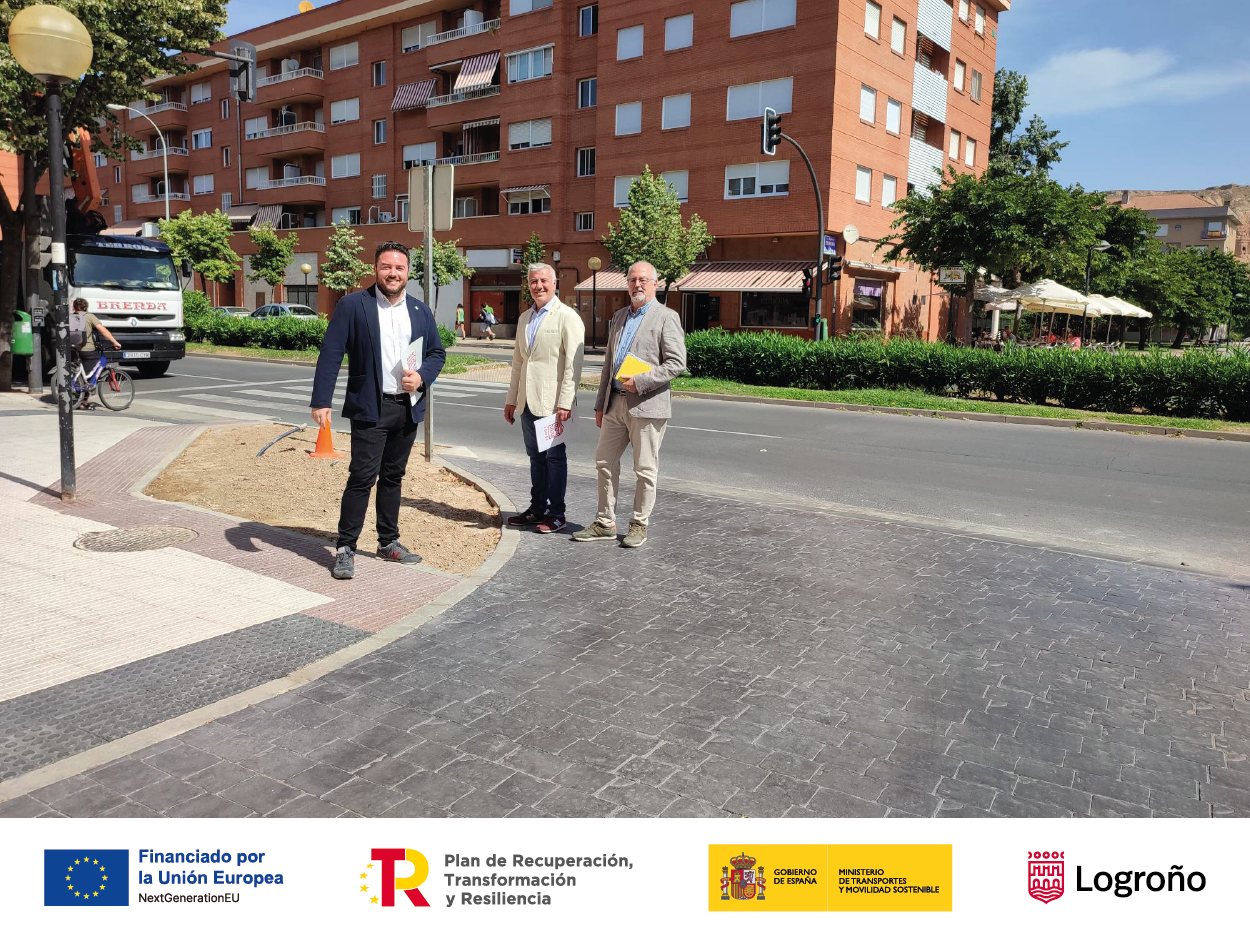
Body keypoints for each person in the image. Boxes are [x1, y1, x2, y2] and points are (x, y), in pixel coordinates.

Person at [310, 241, 446, 580]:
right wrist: (321, 400)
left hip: (407, 408)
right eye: (387, 267)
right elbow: (331, 353)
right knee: (361, 477)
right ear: (376, 269)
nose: (393, 273)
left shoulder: (419, 310)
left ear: (408, 273)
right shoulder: (353, 305)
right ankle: (345, 547)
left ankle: (388, 542)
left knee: (393, 478)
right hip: (371, 406)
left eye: (399, 268)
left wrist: (423, 377)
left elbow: (437, 353)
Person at [572, 260, 686, 549]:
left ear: (655, 284)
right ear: (627, 284)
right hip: (614, 404)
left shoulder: (666, 317)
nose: (638, 284)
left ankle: (639, 524)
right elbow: (609, 363)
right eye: (633, 279)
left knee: (645, 469)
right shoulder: (620, 315)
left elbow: (677, 363)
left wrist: (643, 380)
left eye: (643, 280)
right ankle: (605, 523)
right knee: (604, 462)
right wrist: (600, 403)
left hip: (647, 404)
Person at [504, 263, 585, 534]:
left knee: (554, 458)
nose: (538, 286)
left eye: (543, 281)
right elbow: (518, 362)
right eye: (533, 282)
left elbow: (574, 364)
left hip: (553, 403)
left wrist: (565, 401)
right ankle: (536, 508)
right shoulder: (525, 318)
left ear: (554, 284)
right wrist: (511, 398)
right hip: (527, 401)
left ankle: (556, 512)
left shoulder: (567, 316)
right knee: (535, 458)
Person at [73, 298, 121, 406]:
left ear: (74, 307)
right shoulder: (89, 316)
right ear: (86, 307)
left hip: (75, 349)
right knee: (91, 377)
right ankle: (82, 401)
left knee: (85, 374)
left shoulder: (71, 317)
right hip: (88, 349)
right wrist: (115, 342)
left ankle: (81, 400)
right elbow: (102, 330)